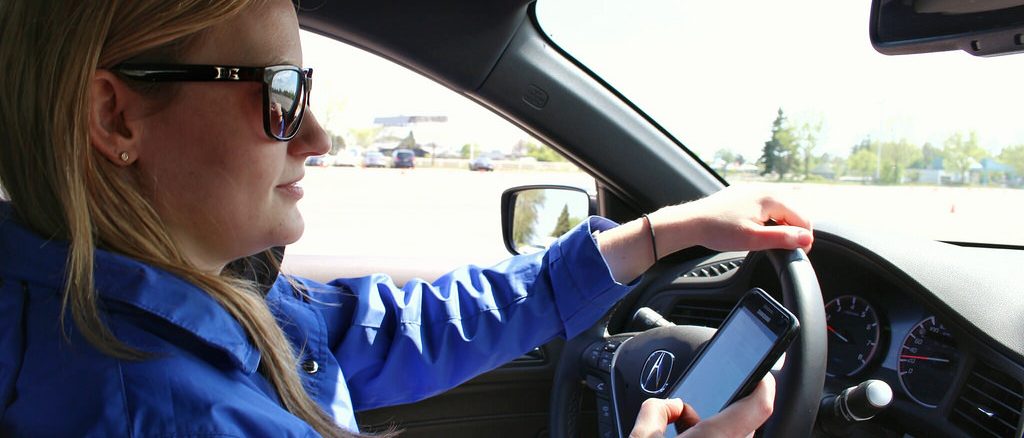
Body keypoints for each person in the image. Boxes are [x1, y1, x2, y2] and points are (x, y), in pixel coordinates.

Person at [0, 1, 813, 437]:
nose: (318, 137)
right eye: (279, 95)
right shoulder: (165, 411)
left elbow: (409, 327)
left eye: (304, 92)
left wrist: (660, 233)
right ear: (116, 118)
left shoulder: (213, 300)